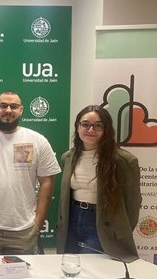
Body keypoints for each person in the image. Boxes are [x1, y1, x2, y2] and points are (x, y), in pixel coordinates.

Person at [0, 91, 61, 255]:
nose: (8, 110)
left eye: (14, 106)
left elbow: (47, 183)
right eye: (3, 105)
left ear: (21, 110)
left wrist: (37, 223)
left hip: (24, 230)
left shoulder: (38, 140)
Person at [56, 105, 141, 261]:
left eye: (98, 125)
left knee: (93, 270)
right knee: (69, 267)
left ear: (106, 129)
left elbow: (132, 204)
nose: (90, 130)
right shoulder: (68, 157)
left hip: (101, 224)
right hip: (72, 220)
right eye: (85, 124)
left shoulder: (123, 161)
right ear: (78, 126)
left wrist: (120, 231)